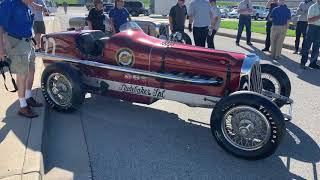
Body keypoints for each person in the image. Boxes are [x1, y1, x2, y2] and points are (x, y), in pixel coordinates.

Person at [0, 0, 44, 118]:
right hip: (16, 42)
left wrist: (33, 5)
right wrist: (1, 48)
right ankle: (23, 106)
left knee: (31, 70)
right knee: (22, 75)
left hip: (28, 42)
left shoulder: (27, 4)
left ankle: (28, 97)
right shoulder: (8, 3)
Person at [300, 0, 320, 69]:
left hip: (319, 29)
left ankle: (313, 63)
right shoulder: (312, 7)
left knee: (316, 47)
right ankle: (303, 62)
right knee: (307, 46)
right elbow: (309, 20)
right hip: (312, 27)